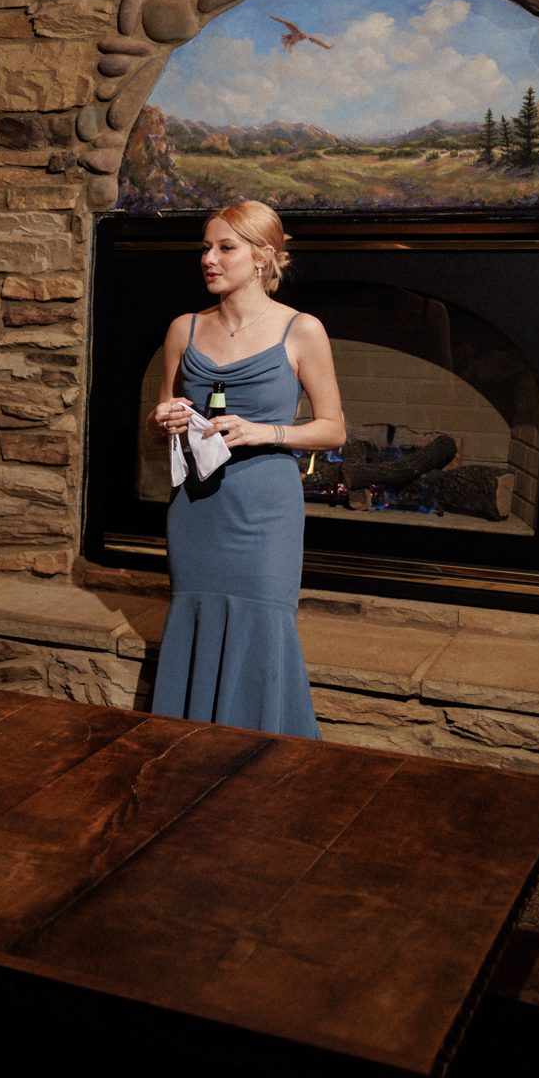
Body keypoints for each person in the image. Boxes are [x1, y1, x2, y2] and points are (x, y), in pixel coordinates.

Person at [147, 200, 345, 738]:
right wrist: (163, 417)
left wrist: (266, 431)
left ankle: (265, 762)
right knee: (197, 616)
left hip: (265, 511)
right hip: (198, 507)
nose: (209, 259)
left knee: (263, 623)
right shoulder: (183, 330)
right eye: (205, 248)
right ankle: (187, 752)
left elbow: (333, 429)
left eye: (224, 248)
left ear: (262, 257)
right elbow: (162, 415)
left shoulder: (301, 330)